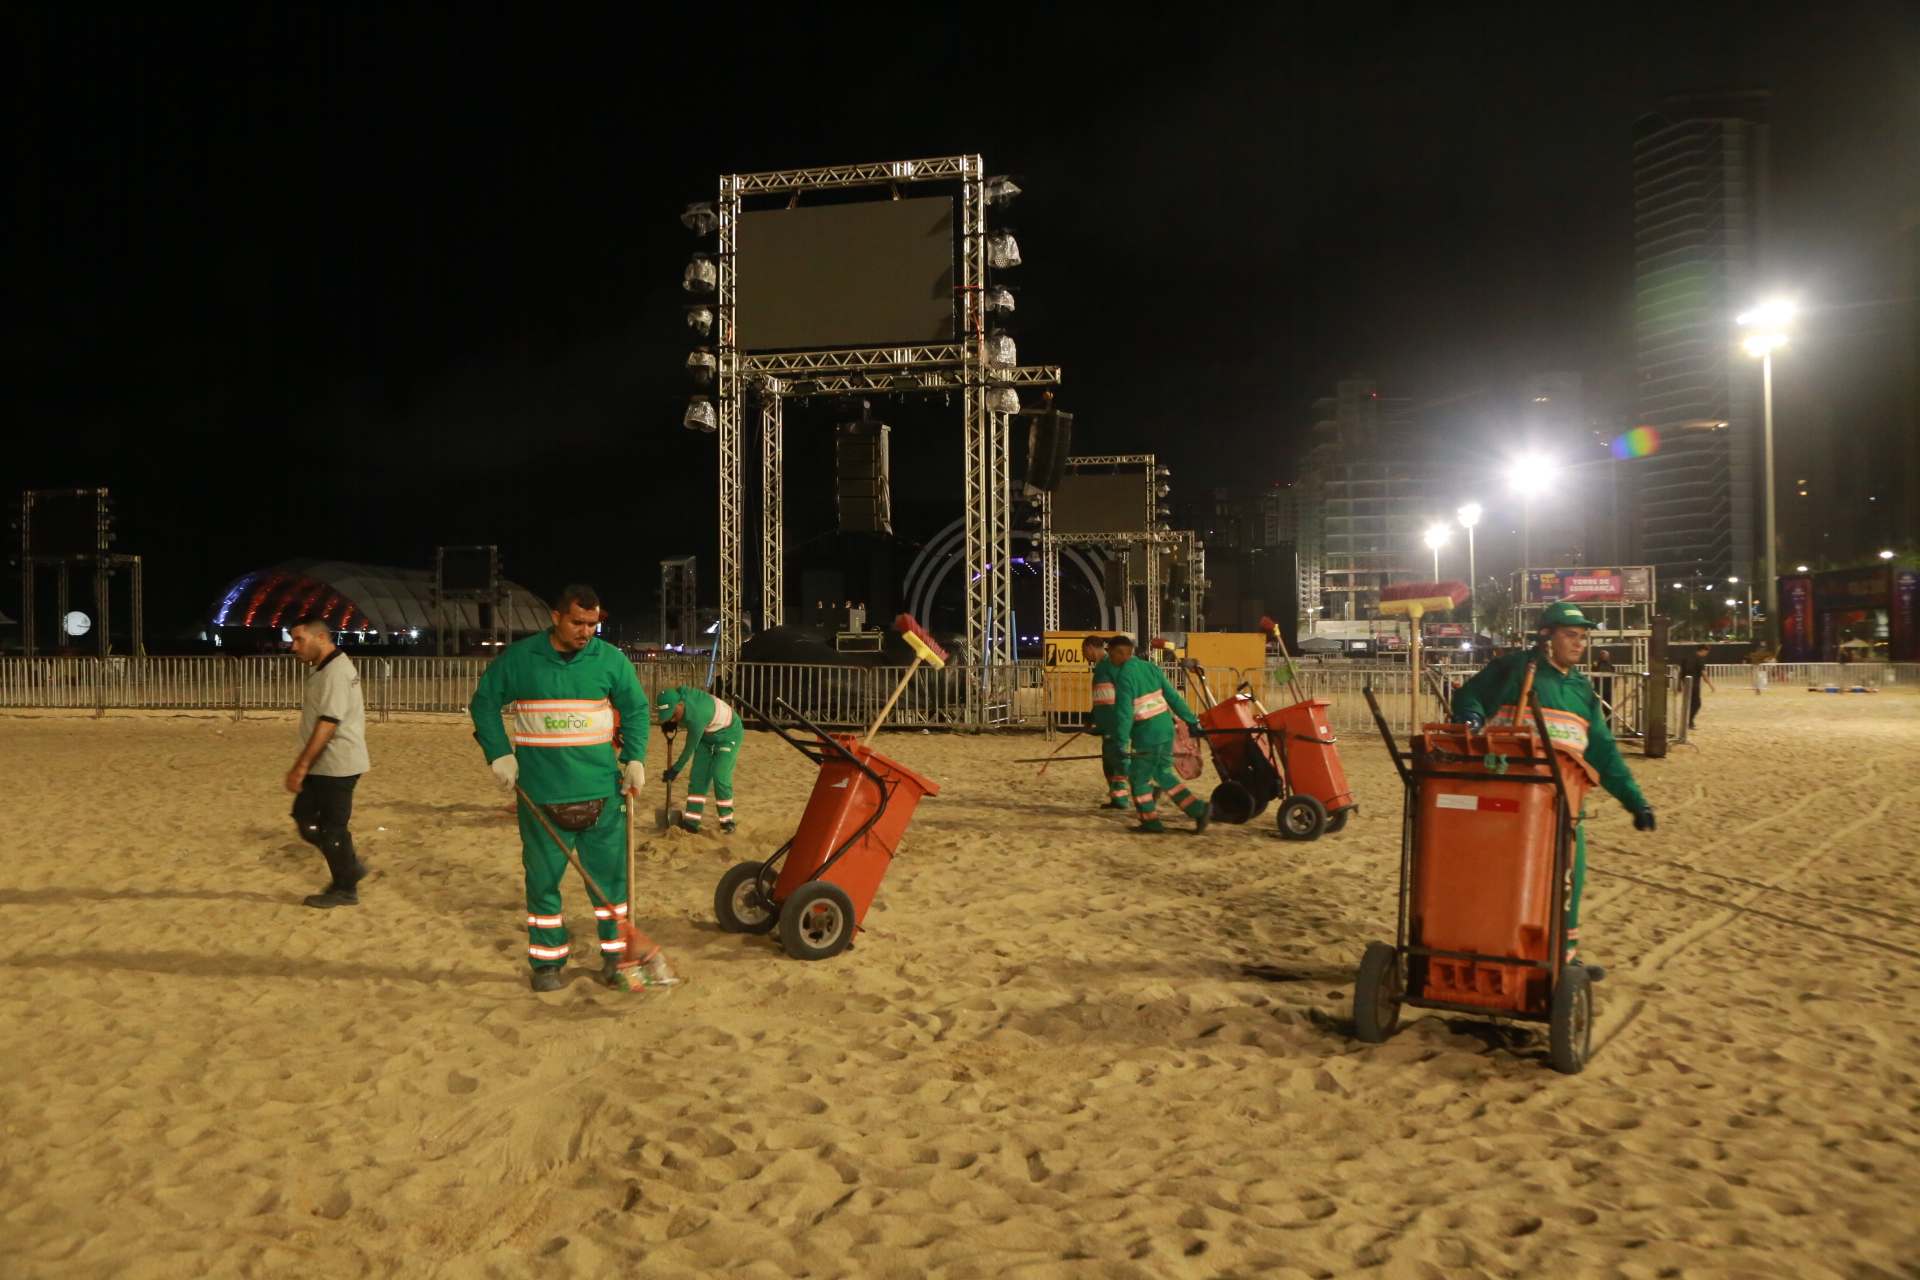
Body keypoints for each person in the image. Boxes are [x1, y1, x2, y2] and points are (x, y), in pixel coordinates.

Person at [469, 584, 668, 993]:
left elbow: (634, 708)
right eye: (577, 622)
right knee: (542, 884)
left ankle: (617, 960)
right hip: (540, 797)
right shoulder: (521, 660)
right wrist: (498, 753)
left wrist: (634, 758)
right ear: (556, 617)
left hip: (603, 793)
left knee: (611, 886)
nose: (585, 631)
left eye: (592, 624)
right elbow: (484, 703)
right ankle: (547, 964)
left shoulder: (610, 661)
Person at [1453, 601, 1657, 978]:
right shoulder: (1515, 669)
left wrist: (1635, 801)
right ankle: (1489, 948)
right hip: (1511, 798)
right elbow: (1470, 697)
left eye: (1582, 637)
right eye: (1569, 635)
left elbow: (1602, 751)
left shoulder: (1582, 689)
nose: (1578, 644)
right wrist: (1472, 719)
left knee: (1568, 881)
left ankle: (1563, 958)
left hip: (1566, 806)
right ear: (1546, 636)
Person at [286, 617, 370, 909]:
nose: (293, 646)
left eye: (299, 639)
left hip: (338, 762)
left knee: (333, 828)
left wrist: (300, 765)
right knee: (304, 818)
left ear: (321, 637)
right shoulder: (323, 667)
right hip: (324, 763)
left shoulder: (335, 671)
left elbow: (329, 722)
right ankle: (349, 868)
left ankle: (345, 887)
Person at [1108, 635, 1209, 834]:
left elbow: (1124, 713)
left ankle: (1150, 823)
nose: (1110, 660)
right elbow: (1172, 696)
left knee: (1139, 779)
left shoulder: (1124, 676)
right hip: (1165, 729)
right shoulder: (1151, 668)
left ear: (1121, 653)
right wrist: (1190, 720)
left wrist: (1120, 743)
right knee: (1162, 774)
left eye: (1112, 655)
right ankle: (1197, 809)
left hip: (1147, 735)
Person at [654, 684, 744, 834]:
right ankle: (691, 822)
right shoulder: (680, 696)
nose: (672, 718)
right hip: (706, 735)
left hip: (728, 735)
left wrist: (675, 769)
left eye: (673, 715)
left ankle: (727, 822)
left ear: (681, 704)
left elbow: (690, 748)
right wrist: (673, 721)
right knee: (697, 777)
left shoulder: (698, 715)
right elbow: (681, 716)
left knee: (720, 776)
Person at [1082, 634, 1130, 811]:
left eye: (1083, 651)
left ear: (1089, 648)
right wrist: (1093, 717)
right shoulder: (1103, 667)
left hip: (1115, 721)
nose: (1083, 655)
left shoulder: (1111, 664)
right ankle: (1119, 798)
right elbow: (1102, 696)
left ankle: (1146, 783)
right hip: (1107, 723)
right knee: (1110, 762)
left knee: (1118, 759)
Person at [1676, 644, 1715, 728]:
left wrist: (1679, 684)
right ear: (1703, 650)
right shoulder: (1699, 659)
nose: (1706, 654)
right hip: (1694, 684)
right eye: (1706, 653)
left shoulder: (1686, 658)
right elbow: (1703, 673)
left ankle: (1687, 721)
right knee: (1696, 703)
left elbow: (1680, 672)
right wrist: (1711, 685)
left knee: (1688, 703)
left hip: (1685, 683)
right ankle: (1689, 721)